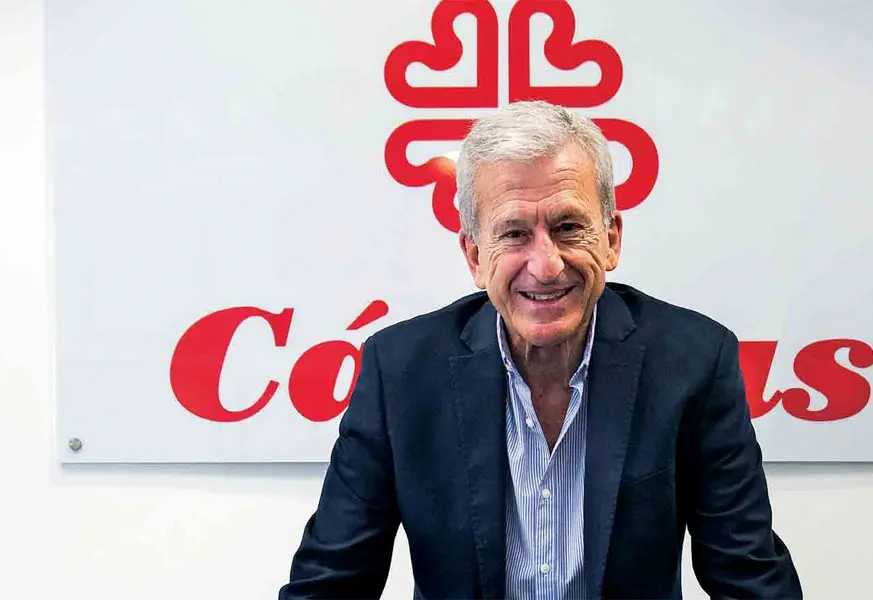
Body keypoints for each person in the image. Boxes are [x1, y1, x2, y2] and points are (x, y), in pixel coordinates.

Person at [279, 100, 802, 599]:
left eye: (568, 227)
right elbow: (330, 583)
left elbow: (750, 578)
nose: (546, 265)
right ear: (475, 256)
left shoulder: (694, 361)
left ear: (612, 239)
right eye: (514, 234)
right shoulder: (398, 373)